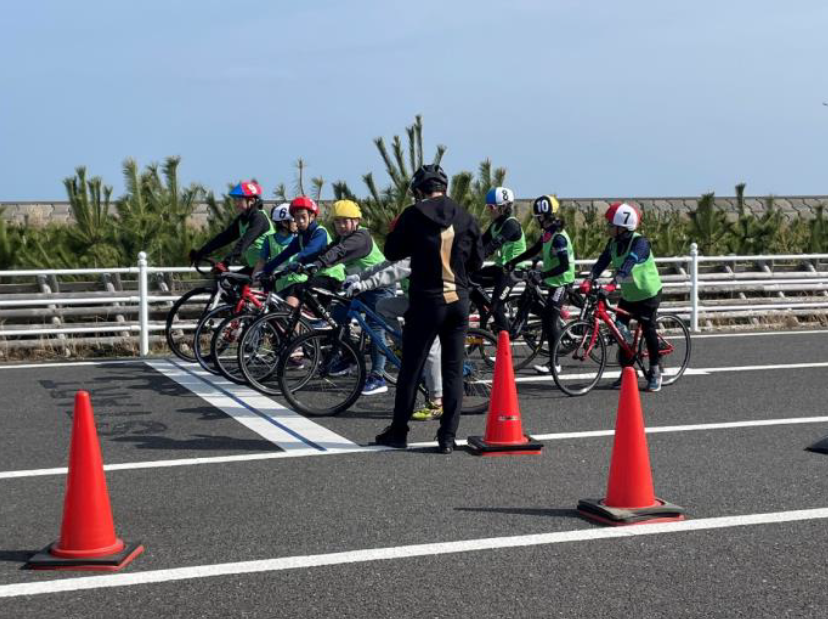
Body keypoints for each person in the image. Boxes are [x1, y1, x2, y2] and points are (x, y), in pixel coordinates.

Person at [374, 164, 484, 454]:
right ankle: (447, 437)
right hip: (458, 300)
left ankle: (399, 431)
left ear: (418, 191)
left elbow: (392, 252)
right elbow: (477, 261)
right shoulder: (465, 215)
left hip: (427, 301)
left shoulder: (413, 214)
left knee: (412, 368)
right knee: (453, 370)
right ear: (444, 188)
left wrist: (396, 230)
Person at [579, 201, 664, 392]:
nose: (608, 228)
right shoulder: (614, 243)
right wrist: (589, 278)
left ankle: (655, 370)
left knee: (648, 329)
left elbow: (628, 265)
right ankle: (627, 371)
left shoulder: (640, 243)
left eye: (611, 225)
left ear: (623, 227)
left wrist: (613, 284)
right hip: (630, 295)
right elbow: (602, 262)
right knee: (619, 328)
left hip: (648, 294)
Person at [345, 257, 444, 419]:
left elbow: (395, 271)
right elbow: (385, 265)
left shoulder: (417, 250)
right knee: (383, 306)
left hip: (433, 303)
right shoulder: (404, 249)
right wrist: (359, 276)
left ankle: (436, 402)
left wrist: (364, 285)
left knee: (430, 349)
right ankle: (403, 347)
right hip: (416, 301)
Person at [505, 194, 575, 375]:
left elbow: (564, 266)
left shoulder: (558, 237)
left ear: (543, 217)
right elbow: (534, 250)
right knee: (536, 306)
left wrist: (542, 275)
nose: (536, 220)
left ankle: (555, 363)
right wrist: (514, 261)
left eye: (537, 217)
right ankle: (552, 316)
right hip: (552, 280)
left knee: (550, 321)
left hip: (561, 281)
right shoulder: (547, 233)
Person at [259, 196, 345, 304]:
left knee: (296, 290)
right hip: (318, 276)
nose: (300, 221)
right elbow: (284, 255)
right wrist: (265, 270)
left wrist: (295, 262)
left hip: (332, 276)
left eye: (303, 217)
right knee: (287, 295)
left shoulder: (320, 232)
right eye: (297, 217)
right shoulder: (301, 237)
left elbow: (310, 251)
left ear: (312, 216)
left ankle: (291, 314)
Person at [470, 187, 527, 332]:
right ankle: (485, 314)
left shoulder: (511, 224)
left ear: (502, 207)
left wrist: (479, 258)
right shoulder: (496, 224)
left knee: (497, 306)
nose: (489, 211)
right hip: (500, 268)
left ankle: (505, 337)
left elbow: (493, 245)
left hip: (513, 270)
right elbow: (480, 243)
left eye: (491, 207)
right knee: (470, 279)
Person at [189, 181, 275, 274]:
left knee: (229, 280)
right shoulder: (242, 219)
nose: (236, 204)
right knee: (228, 280)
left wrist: (226, 263)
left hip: (270, 267)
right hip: (256, 268)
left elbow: (245, 242)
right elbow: (223, 238)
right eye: (235, 200)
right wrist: (201, 252)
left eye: (239, 200)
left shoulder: (259, 218)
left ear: (252, 201)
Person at [252, 203, 307, 294]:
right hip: (279, 286)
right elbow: (261, 262)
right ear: (284, 223)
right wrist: (253, 280)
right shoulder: (269, 240)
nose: (297, 223)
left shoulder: (300, 238)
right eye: (294, 220)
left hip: (299, 283)